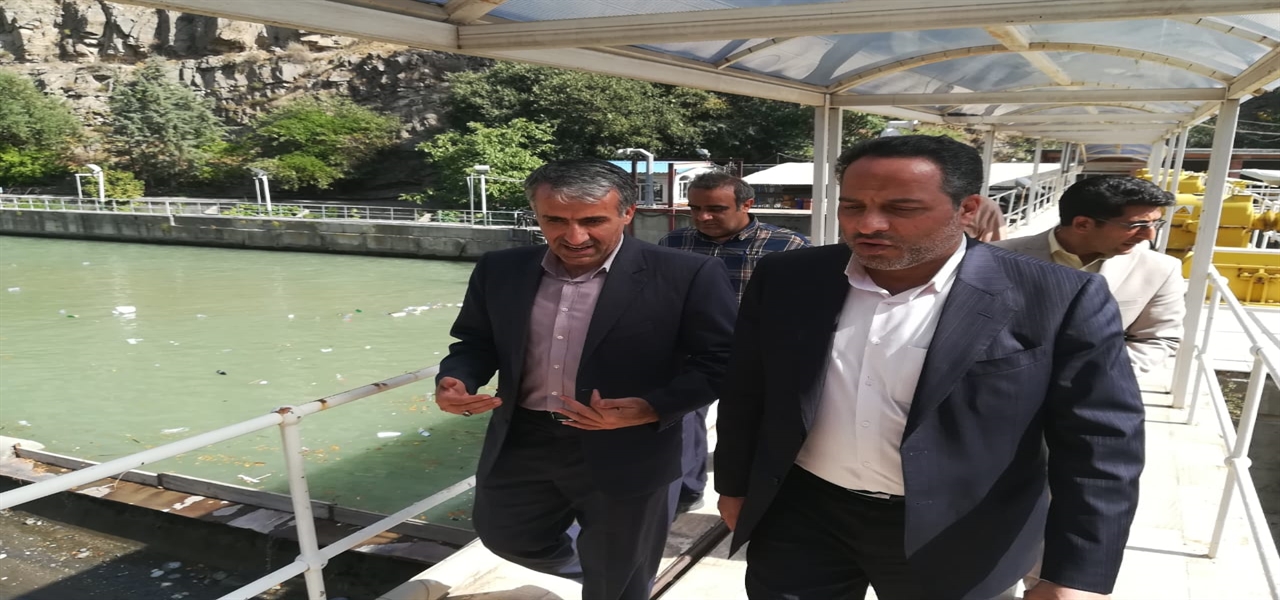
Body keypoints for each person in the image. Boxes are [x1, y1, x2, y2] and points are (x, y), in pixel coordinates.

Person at [714, 135, 1145, 600]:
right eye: (852, 206)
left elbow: (1100, 442)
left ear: (967, 209)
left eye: (901, 208)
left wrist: (1074, 574)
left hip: (960, 531)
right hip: (802, 516)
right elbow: (747, 389)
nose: (868, 224)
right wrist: (734, 486)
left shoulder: (1058, 297)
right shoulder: (789, 277)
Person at [433, 158, 736, 600]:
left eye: (592, 221)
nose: (574, 237)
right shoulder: (501, 269)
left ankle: (613, 577)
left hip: (629, 442)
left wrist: (652, 408)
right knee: (506, 535)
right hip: (524, 437)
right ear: (536, 214)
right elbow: (476, 342)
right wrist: (457, 379)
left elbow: (724, 360)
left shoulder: (685, 274)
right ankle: (596, 570)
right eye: (555, 220)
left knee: (618, 580)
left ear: (627, 213)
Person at [657, 171, 810, 512]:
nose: (703, 217)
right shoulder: (674, 243)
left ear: (747, 204)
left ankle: (754, 491)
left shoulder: (788, 247)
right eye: (695, 208)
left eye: (716, 209)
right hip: (693, 352)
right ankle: (687, 490)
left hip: (758, 353)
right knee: (683, 419)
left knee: (751, 424)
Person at [994, 175, 1185, 374]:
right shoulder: (992, 257)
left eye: (1155, 224)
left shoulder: (1160, 269)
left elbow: (1157, 338)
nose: (1150, 235)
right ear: (1082, 224)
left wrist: (1099, 377)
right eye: (1136, 225)